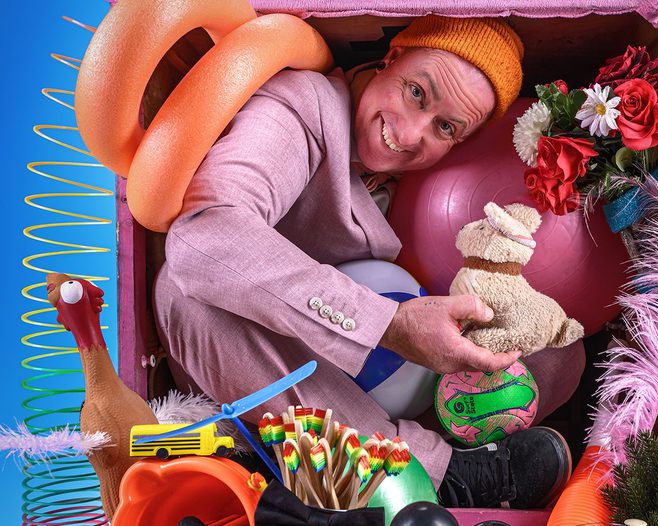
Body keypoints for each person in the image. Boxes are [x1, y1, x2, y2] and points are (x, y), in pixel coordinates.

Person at [154, 15, 579, 509]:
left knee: (562, 350)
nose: (411, 130)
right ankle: (437, 473)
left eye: (446, 127)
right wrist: (388, 324)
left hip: (397, 387)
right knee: (182, 293)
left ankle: (462, 431)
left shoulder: (445, 182)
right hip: (262, 367)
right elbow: (206, 231)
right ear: (391, 58)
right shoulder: (301, 107)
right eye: (417, 92)